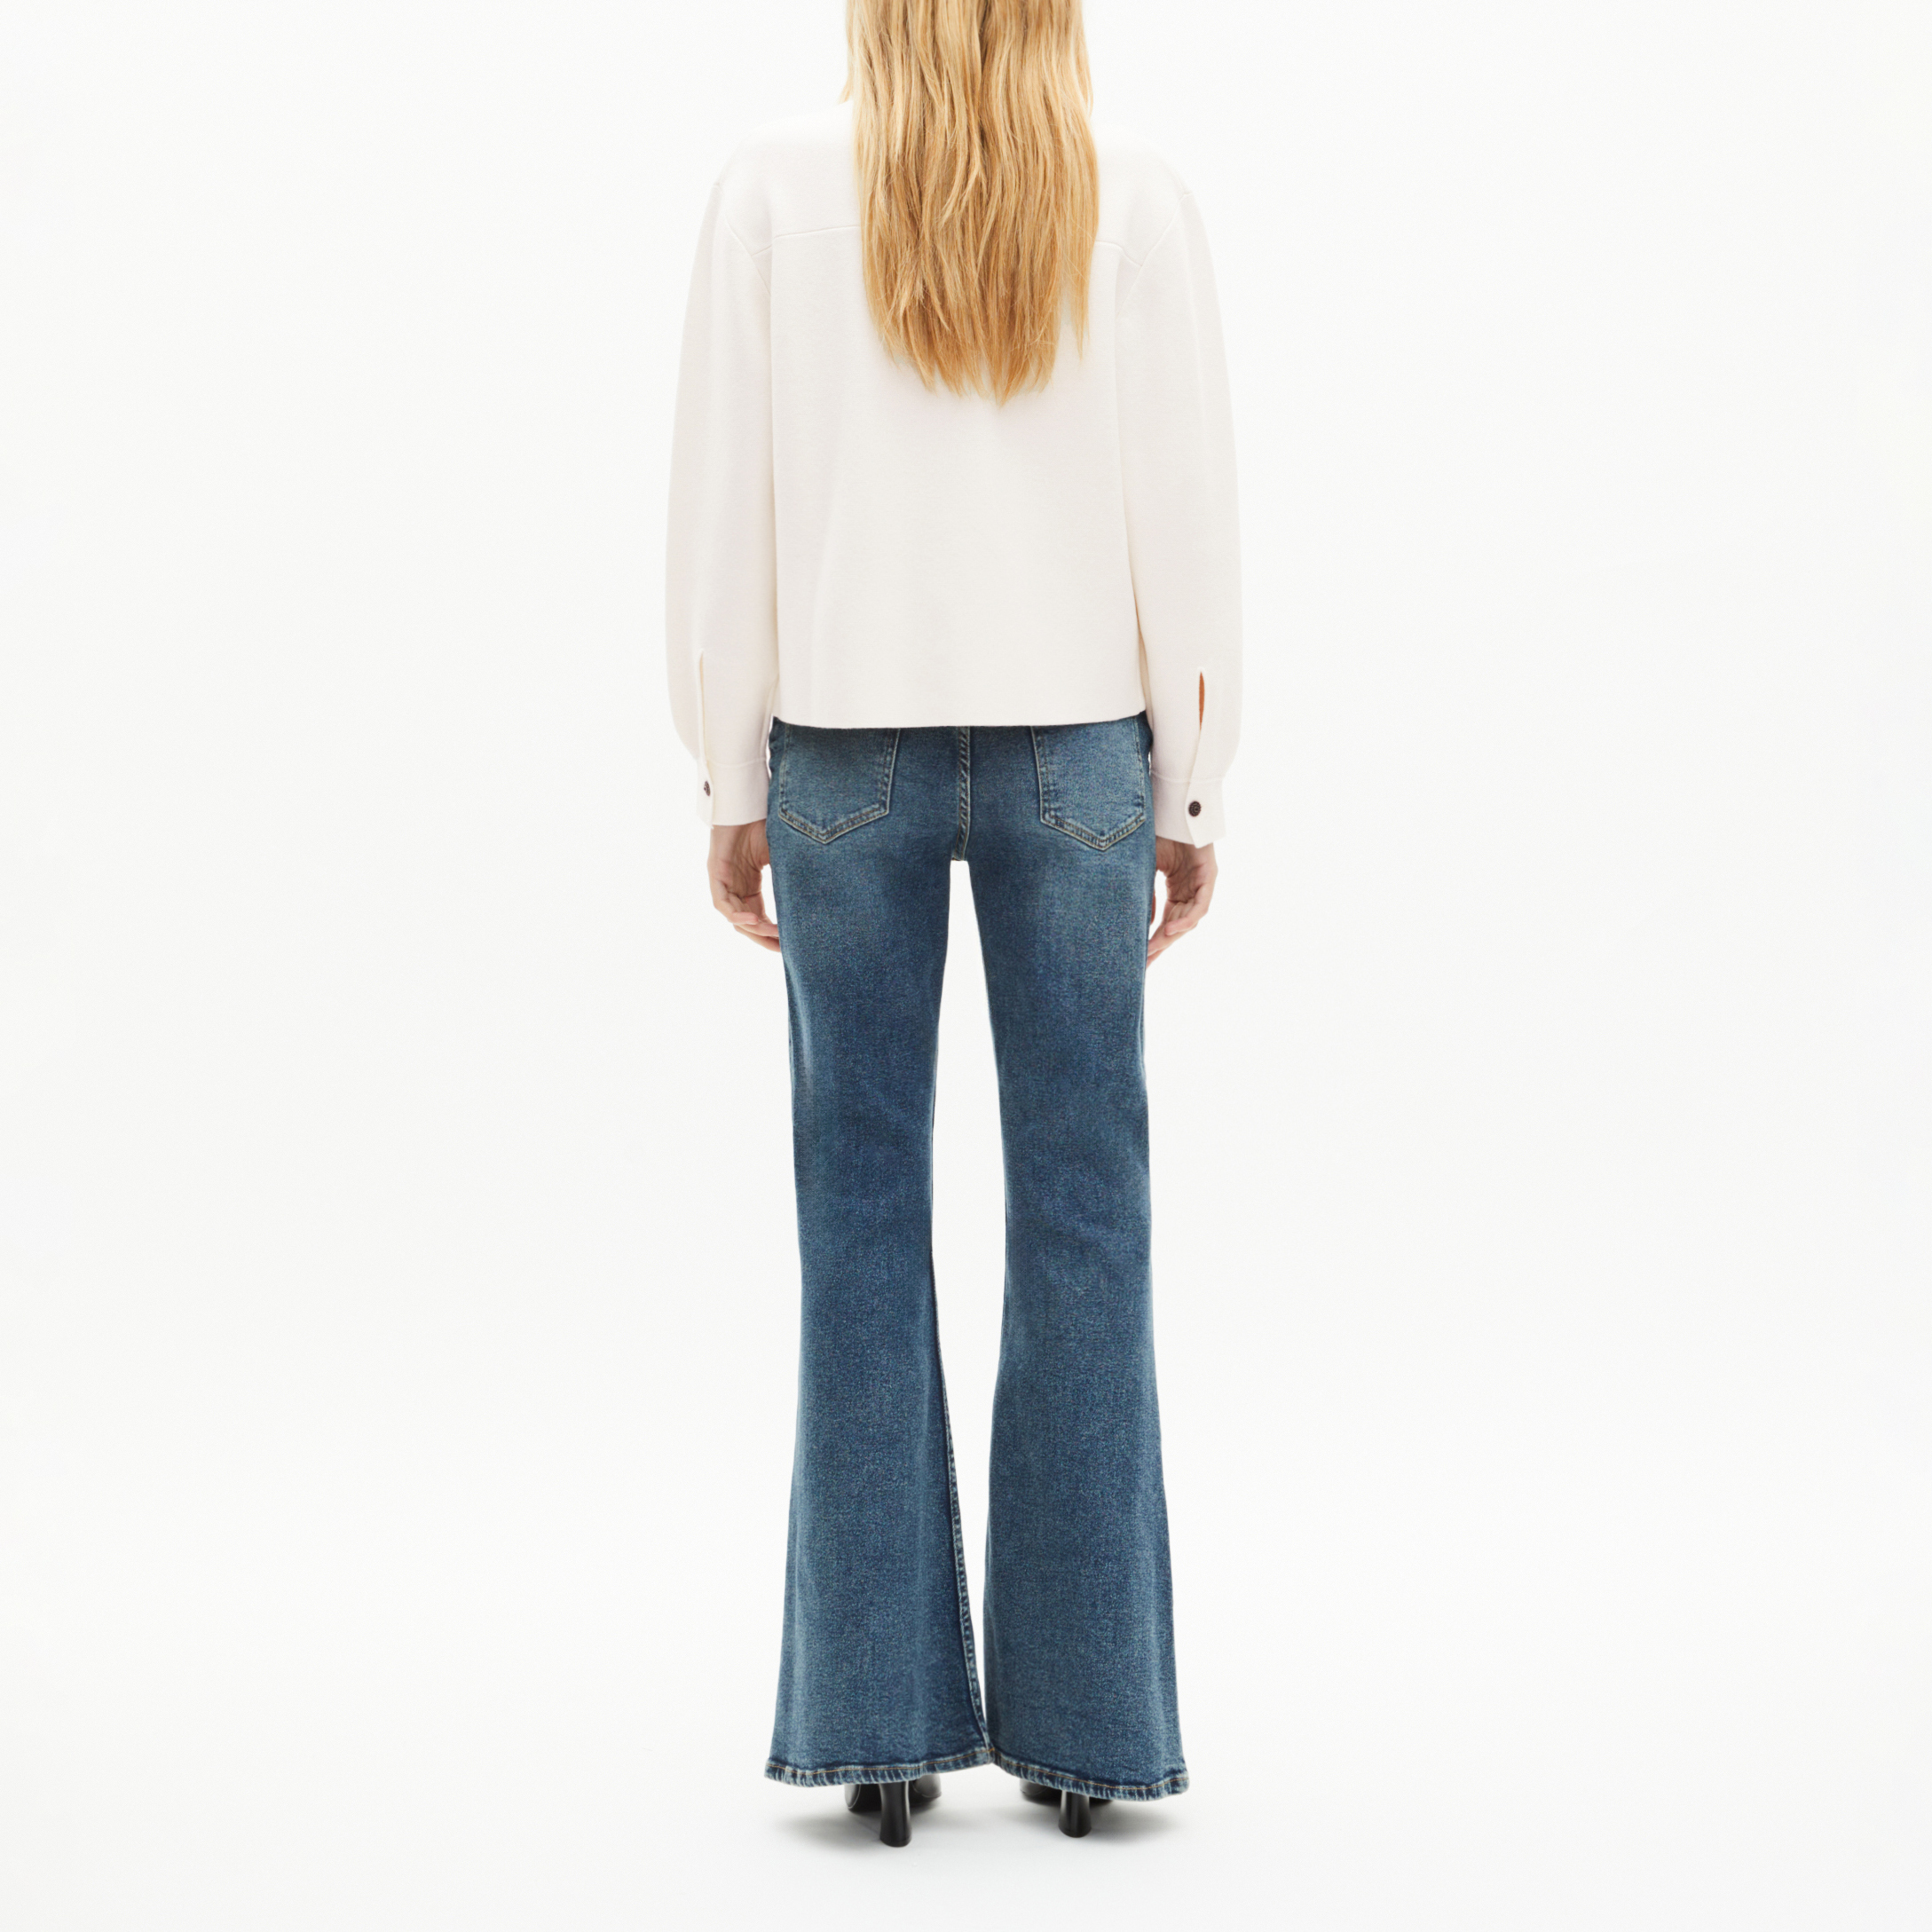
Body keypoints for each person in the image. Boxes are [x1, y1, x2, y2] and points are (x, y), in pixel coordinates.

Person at [666, 0, 1239, 1848]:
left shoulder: (770, 186)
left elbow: (725, 507)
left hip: (845, 749)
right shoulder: (1131, 190)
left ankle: (874, 1724)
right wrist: (1191, 786)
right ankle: (1090, 1732)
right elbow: (1184, 508)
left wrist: (728, 766)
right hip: (1081, 751)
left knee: (856, 1208)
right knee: (1086, 1208)